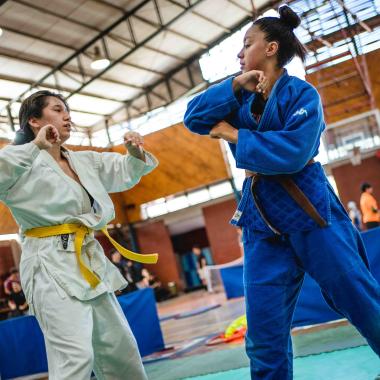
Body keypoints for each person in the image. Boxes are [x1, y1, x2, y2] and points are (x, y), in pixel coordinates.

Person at [184, 5, 380, 379]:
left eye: (247, 44)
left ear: (271, 48)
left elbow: (293, 153)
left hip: (313, 213)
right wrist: (233, 86)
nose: (239, 54)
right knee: (263, 333)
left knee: (361, 300)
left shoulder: (302, 95)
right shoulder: (237, 98)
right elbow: (194, 118)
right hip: (262, 223)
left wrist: (233, 134)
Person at [0, 90, 158, 379]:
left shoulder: (83, 160)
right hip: (48, 264)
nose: (67, 116)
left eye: (67, 110)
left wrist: (134, 153)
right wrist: (35, 146)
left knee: (120, 349)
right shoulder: (17, 159)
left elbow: (124, 169)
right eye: (58, 110)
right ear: (34, 120)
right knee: (75, 357)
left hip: (87, 258)